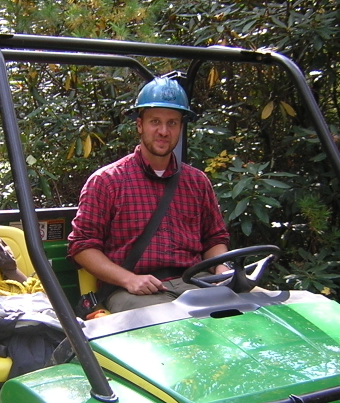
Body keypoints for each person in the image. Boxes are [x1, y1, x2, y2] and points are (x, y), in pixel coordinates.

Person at [68, 76, 230, 313]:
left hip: (194, 282)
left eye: (172, 123)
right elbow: (82, 247)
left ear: (181, 127)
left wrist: (223, 268)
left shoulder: (197, 181)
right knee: (170, 327)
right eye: (155, 121)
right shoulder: (107, 181)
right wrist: (128, 279)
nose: (164, 131)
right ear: (140, 125)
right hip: (131, 290)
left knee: (248, 313)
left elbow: (214, 238)